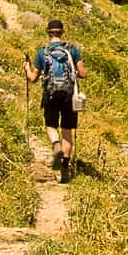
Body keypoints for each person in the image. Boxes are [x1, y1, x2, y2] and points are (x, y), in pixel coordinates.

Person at [27, 18, 84, 181]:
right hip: (70, 95)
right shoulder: (73, 50)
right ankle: (65, 167)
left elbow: (33, 78)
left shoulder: (42, 52)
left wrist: (26, 68)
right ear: (62, 32)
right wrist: (75, 72)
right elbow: (83, 73)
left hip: (50, 94)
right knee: (67, 130)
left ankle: (55, 144)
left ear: (48, 33)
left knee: (51, 125)